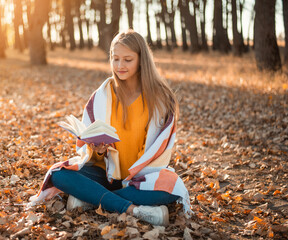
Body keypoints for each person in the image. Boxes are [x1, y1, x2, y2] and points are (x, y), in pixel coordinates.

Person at [29, 30, 192, 226]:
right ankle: (132, 209)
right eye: (115, 59)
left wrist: (126, 180)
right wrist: (97, 151)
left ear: (141, 60)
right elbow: (86, 149)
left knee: (172, 186)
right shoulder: (103, 95)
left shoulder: (161, 99)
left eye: (127, 60)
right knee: (58, 175)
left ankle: (92, 199)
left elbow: (160, 151)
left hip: (142, 179)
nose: (119, 66)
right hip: (106, 174)